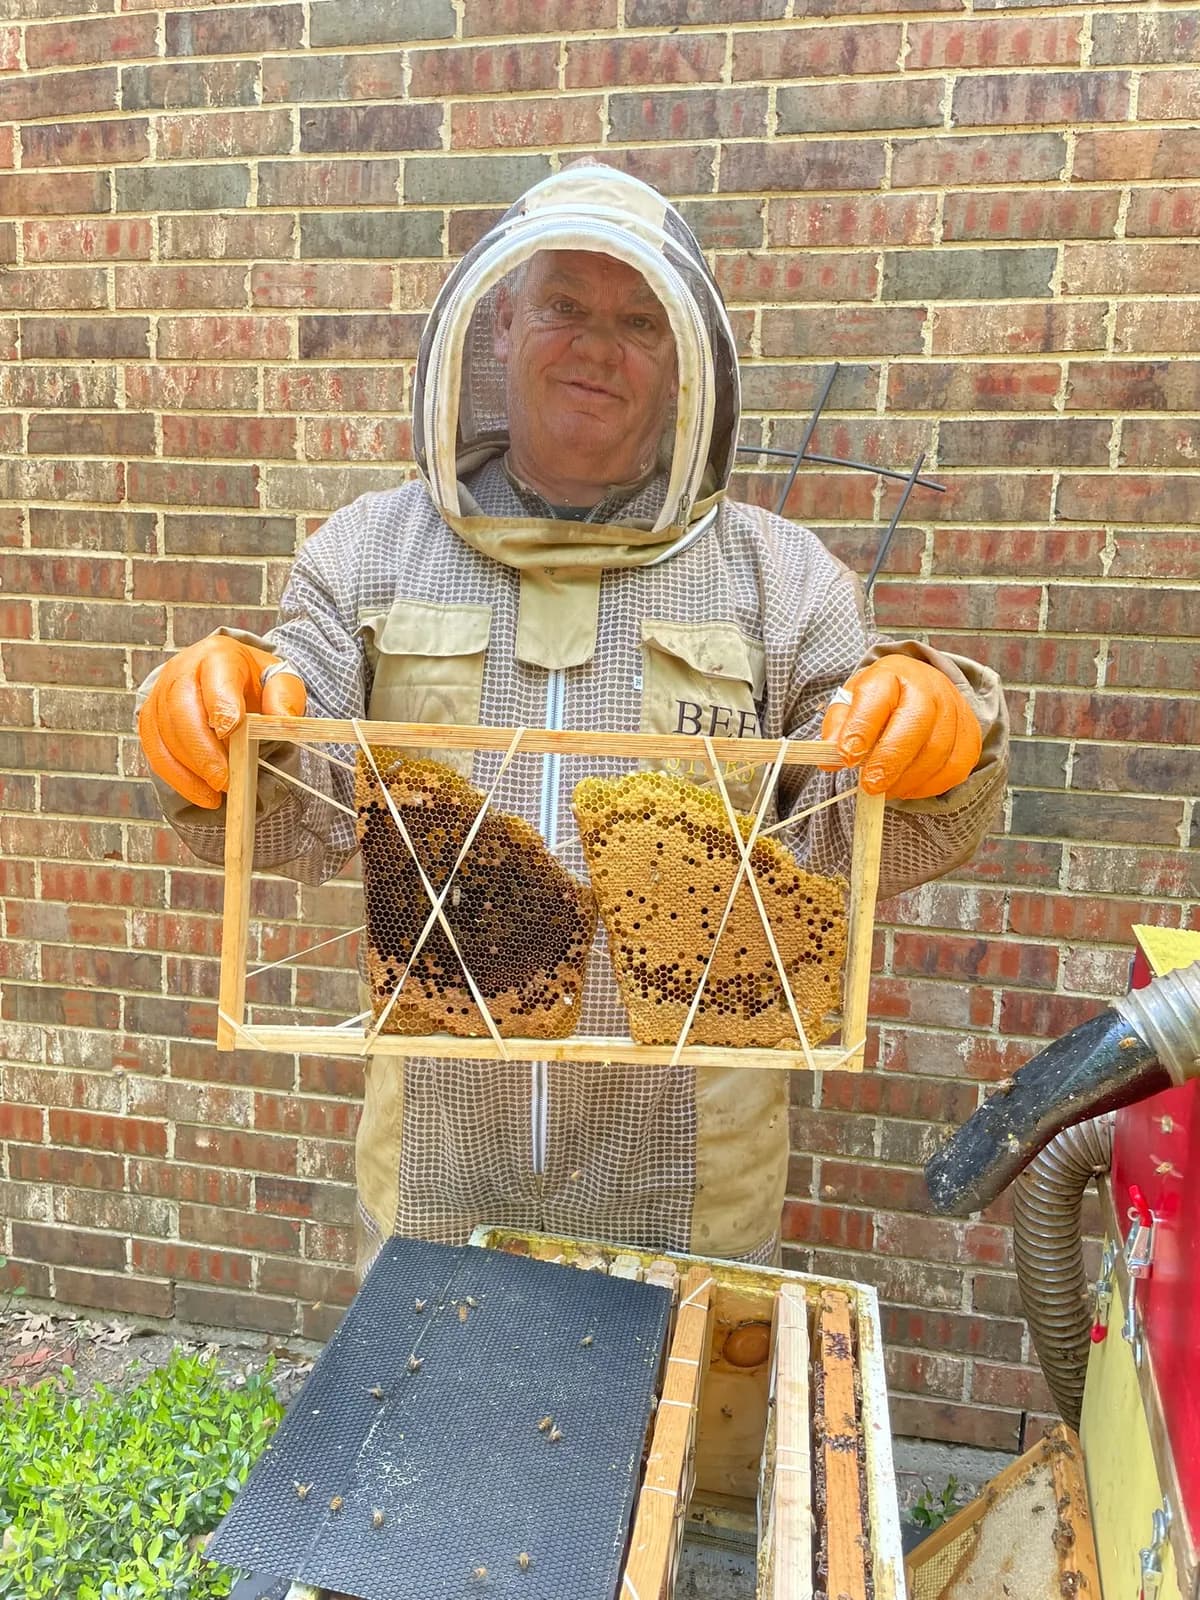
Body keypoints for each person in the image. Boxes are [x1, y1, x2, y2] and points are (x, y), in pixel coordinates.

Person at [137, 163, 1008, 1273]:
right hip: (438, 1173)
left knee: (677, 1446)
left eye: (638, 319)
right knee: (430, 1443)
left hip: (690, 1183)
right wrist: (223, 713)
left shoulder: (785, 583)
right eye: (565, 306)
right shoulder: (367, 555)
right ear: (499, 322)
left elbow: (845, 833)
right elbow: (295, 789)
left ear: (685, 356)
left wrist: (934, 733)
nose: (600, 344)